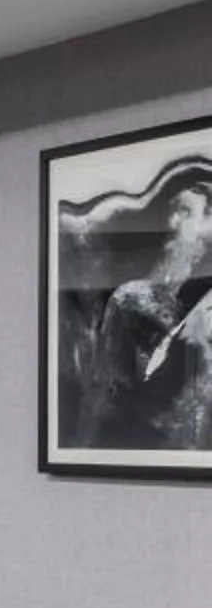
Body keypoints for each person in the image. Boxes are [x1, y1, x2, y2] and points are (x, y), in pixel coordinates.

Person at [79, 160, 212, 451]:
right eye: (176, 210)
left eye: (189, 212)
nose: (175, 223)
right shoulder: (130, 299)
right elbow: (108, 395)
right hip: (149, 444)